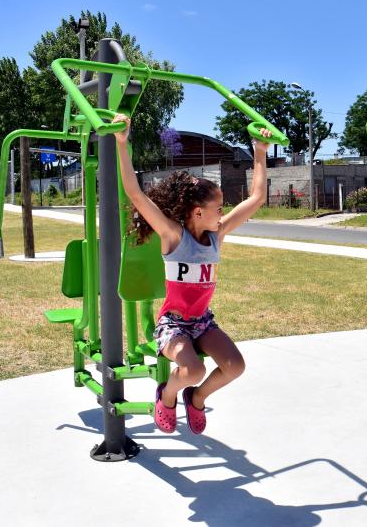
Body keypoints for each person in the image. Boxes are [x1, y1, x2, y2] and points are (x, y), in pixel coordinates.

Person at [113, 113, 273, 435]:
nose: (223, 214)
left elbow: (257, 198)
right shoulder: (174, 236)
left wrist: (259, 151)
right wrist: (122, 142)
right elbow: (135, 194)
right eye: (219, 208)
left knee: (235, 366)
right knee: (193, 368)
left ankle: (196, 399)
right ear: (199, 212)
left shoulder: (218, 234)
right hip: (173, 324)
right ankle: (167, 396)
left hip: (202, 321)